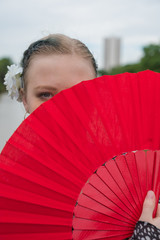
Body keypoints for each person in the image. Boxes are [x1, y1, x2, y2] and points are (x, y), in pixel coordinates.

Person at [4, 34, 160, 239]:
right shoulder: (9, 184)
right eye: (46, 95)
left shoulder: (134, 162)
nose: (62, 107)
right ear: (24, 98)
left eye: (79, 92)